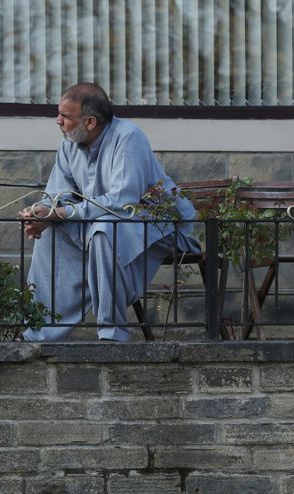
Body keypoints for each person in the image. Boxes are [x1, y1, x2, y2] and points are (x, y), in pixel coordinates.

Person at [21, 83, 199, 342]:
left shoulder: (128, 136)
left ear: (90, 122)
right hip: (105, 222)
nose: (58, 121)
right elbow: (60, 196)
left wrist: (59, 213)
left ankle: (111, 334)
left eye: (65, 116)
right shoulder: (70, 142)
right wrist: (43, 216)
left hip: (158, 225)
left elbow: (122, 201)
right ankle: (38, 333)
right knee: (54, 235)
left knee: (105, 230)